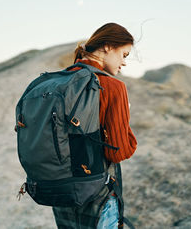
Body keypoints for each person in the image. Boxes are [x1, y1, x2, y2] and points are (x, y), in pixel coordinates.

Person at [52, 23, 138, 229]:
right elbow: (120, 152)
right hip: (96, 197)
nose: (124, 63)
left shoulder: (59, 82)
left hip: (60, 193)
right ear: (108, 46)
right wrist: (125, 118)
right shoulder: (113, 87)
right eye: (124, 54)